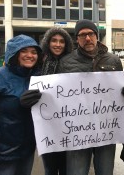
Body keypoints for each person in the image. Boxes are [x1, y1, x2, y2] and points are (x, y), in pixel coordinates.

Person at [57, 19, 123, 175]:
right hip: (78, 131)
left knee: (105, 171)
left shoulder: (113, 60)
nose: (87, 38)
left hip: (106, 129)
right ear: (77, 39)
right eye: (82, 35)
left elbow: (120, 92)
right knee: (76, 172)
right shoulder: (66, 62)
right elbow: (59, 96)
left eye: (91, 34)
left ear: (97, 36)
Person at [0, 34, 42, 175]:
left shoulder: (37, 79)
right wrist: (18, 103)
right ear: (14, 53)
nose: (30, 55)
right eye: (24, 51)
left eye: (34, 52)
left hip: (27, 149)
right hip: (3, 151)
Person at [40, 27, 73, 175]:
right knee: (50, 168)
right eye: (54, 40)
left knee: (66, 168)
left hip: (69, 126)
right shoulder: (39, 63)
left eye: (62, 41)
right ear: (48, 42)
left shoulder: (73, 63)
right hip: (47, 127)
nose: (58, 44)